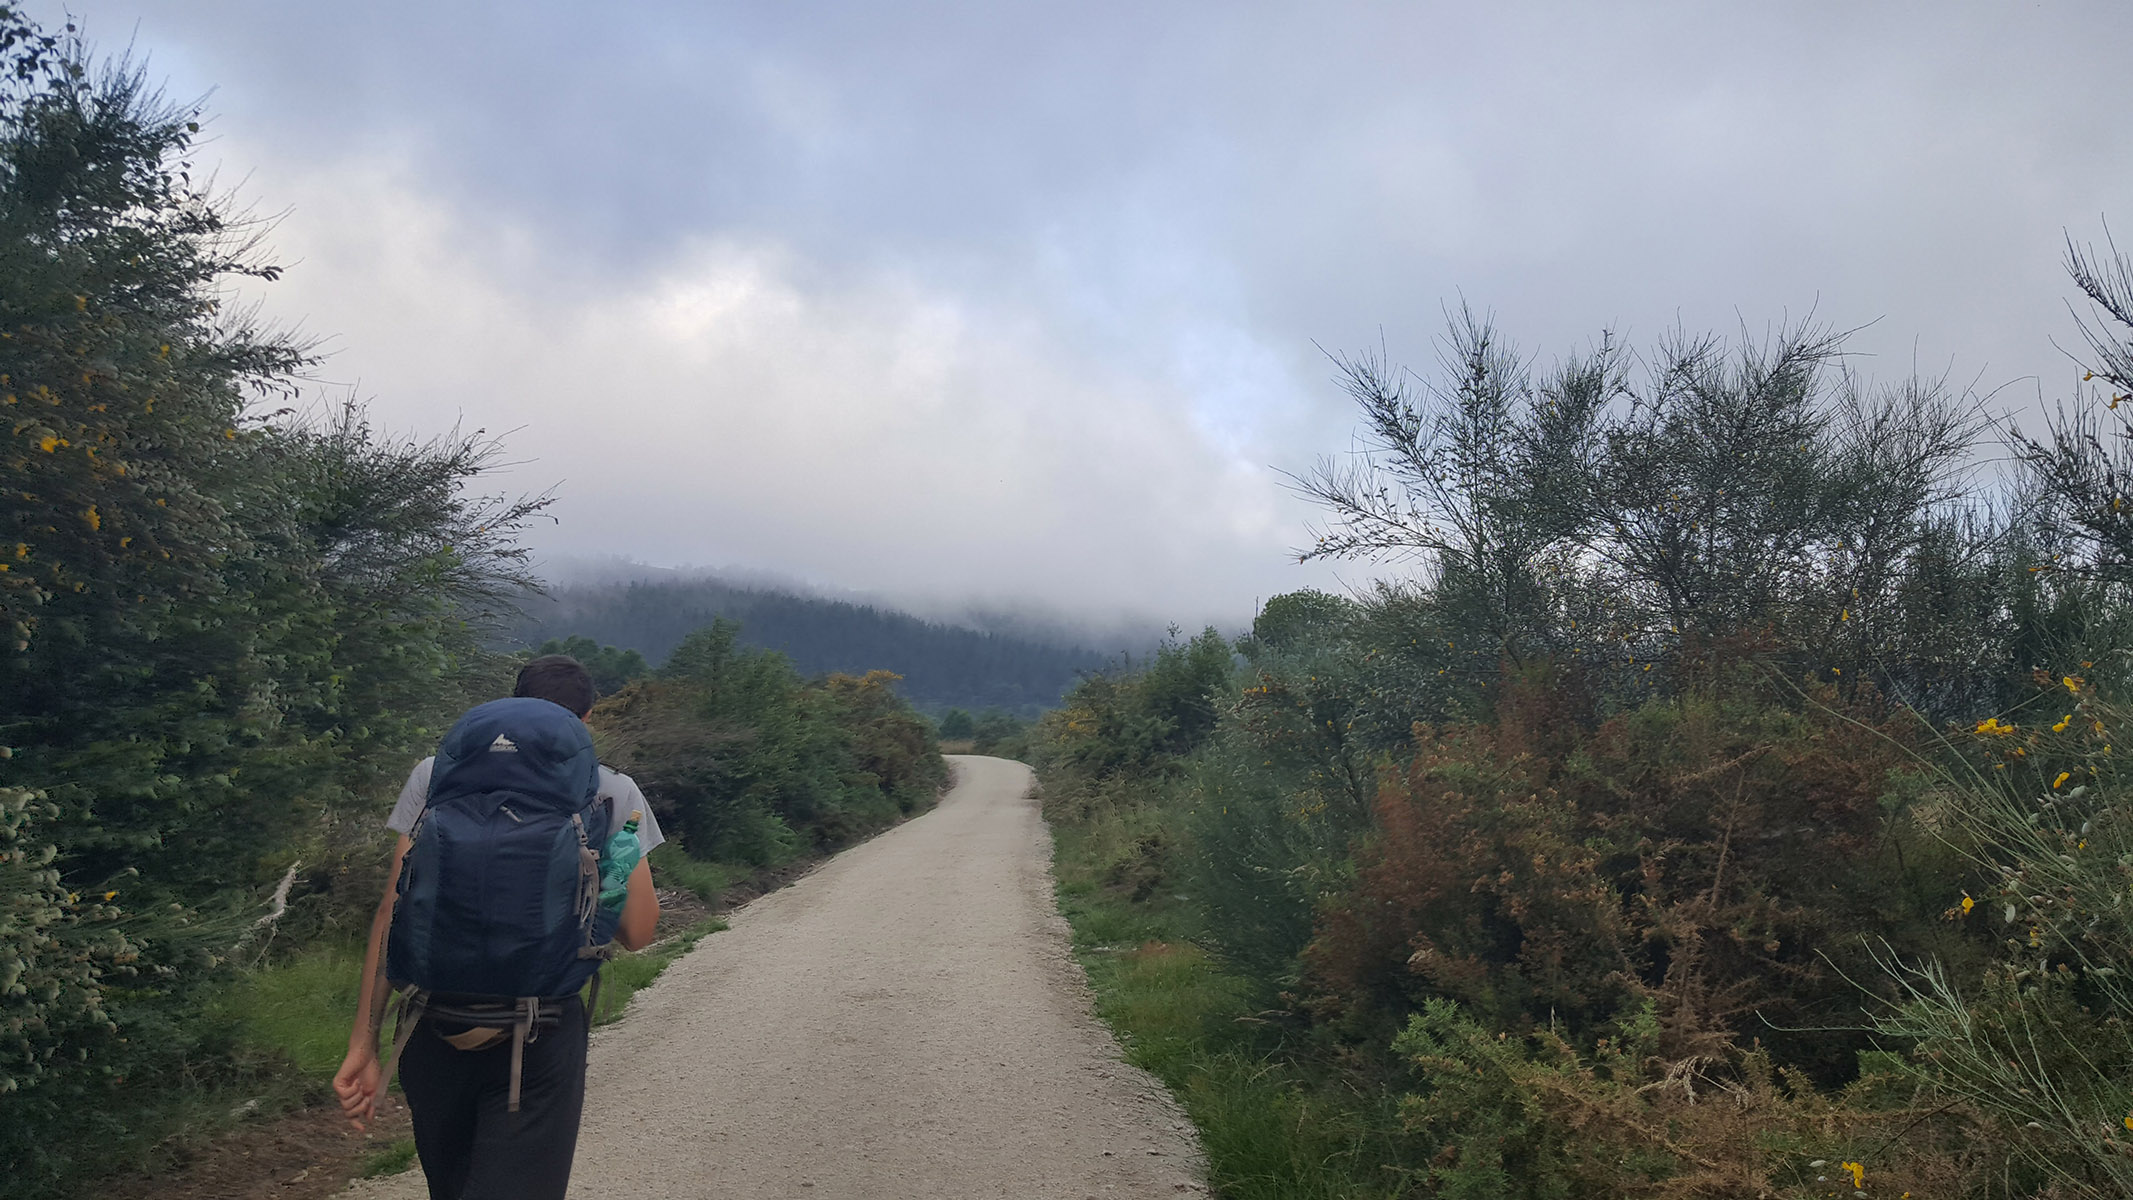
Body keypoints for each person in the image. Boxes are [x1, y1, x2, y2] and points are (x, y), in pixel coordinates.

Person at [332, 654, 666, 1200]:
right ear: (586, 719)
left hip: (432, 1025)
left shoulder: (434, 775)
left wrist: (362, 1043)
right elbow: (638, 932)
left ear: (511, 705)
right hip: (540, 1032)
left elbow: (394, 910)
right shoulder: (611, 789)